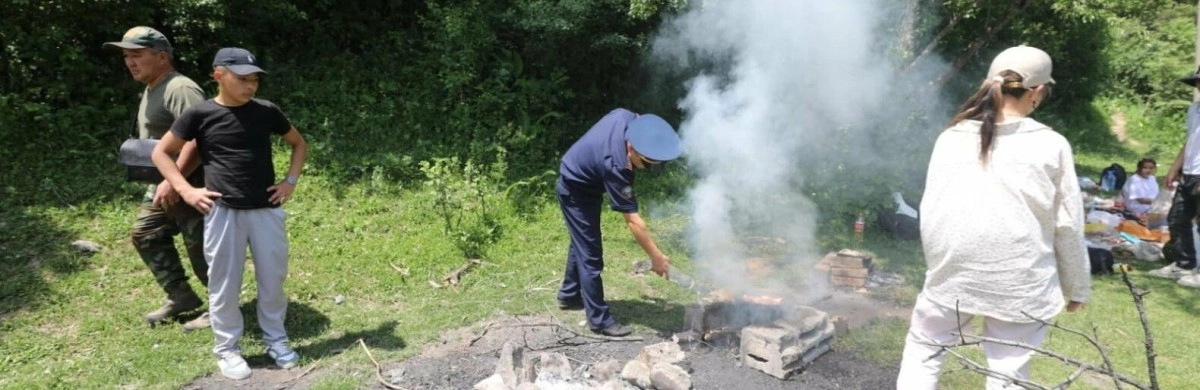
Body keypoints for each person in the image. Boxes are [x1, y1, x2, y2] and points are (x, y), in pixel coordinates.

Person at [896, 46, 1090, 389]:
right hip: (1019, 278)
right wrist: (1076, 286)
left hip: (952, 271)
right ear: (1038, 91)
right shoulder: (1051, 144)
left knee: (923, 351)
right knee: (1007, 370)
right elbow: (1067, 223)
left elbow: (931, 208)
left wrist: (941, 264)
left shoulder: (950, 136)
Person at [151, 47, 308, 380]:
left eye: (254, 80)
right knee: (224, 284)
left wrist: (290, 182)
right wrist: (186, 190)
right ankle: (227, 350)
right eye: (242, 79)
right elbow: (162, 154)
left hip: (266, 209)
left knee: (273, 279)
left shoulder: (266, 111)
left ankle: (276, 341)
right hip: (223, 212)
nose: (250, 86)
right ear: (218, 76)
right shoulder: (200, 115)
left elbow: (298, 143)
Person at [104, 26, 211, 330]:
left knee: (202, 249)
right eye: (126, 56)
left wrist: (174, 180)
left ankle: (223, 309)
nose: (130, 62)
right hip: (165, 183)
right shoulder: (153, 86)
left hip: (191, 184)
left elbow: (200, 137)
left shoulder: (180, 89)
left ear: (162, 57)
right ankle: (181, 296)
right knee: (145, 233)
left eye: (137, 55)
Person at [555, 109, 682, 337]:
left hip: (585, 180)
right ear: (632, 148)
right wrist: (656, 257)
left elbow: (645, 122)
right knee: (591, 255)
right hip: (576, 190)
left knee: (582, 241)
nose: (647, 169)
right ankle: (599, 321)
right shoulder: (616, 166)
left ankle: (569, 295)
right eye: (646, 163)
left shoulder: (628, 118)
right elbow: (633, 222)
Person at [1151, 66, 1200, 288]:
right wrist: (1174, 168)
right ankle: (1184, 265)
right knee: (1177, 218)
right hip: (1189, 173)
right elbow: (1190, 142)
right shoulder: (1194, 110)